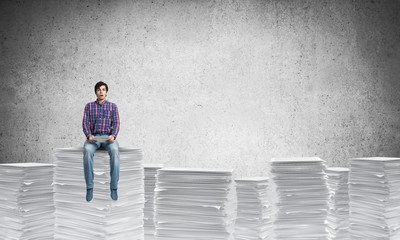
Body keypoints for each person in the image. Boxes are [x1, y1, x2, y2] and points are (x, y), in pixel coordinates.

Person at [82, 81, 120, 202]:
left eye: (103, 89)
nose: (101, 92)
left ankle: (114, 187)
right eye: (99, 89)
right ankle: (89, 187)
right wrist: (89, 136)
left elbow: (117, 123)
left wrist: (113, 136)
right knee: (87, 151)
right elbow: (85, 123)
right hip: (94, 138)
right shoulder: (89, 106)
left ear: (106, 92)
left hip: (108, 138)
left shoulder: (113, 106)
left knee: (114, 151)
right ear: (96, 92)